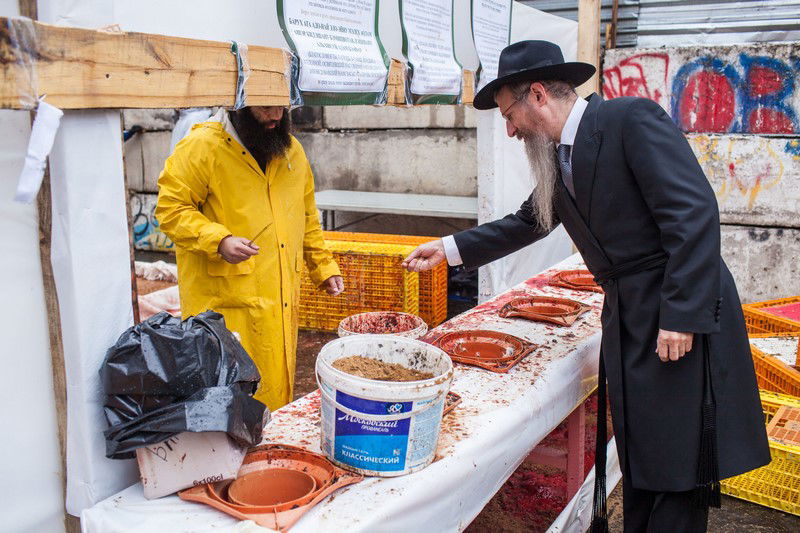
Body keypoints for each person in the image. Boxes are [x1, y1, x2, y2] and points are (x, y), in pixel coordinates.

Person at [403, 41, 769, 532]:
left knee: (678, 459)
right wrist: (449, 249)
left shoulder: (629, 120)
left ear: (536, 95)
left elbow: (694, 214)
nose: (509, 131)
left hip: (673, 309)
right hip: (629, 312)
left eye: (509, 114)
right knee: (643, 447)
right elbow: (529, 222)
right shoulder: (561, 155)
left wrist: (681, 314)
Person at [156, 105, 343, 411]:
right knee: (229, 401)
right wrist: (219, 241)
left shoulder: (291, 151)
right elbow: (170, 209)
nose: (276, 116)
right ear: (239, 105)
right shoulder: (201, 146)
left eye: (282, 107)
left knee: (274, 393)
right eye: (265, 108)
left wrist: (322, 266)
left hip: (280, 301)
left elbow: (306, 216)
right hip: (225, 307)